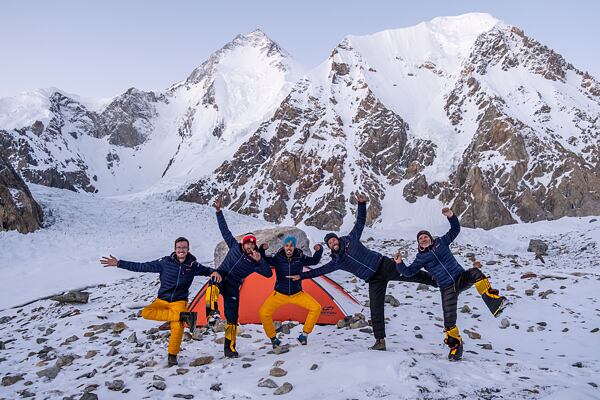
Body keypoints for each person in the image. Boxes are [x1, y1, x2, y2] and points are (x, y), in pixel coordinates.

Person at [288, 193, 437, 351]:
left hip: (384, 265)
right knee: (375, 308)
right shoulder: (336, 262)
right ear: (330, 247)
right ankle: (380, 341)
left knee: (411, 274)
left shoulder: (351, 239)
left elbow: (360, 222)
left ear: (337, 239)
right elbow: (320, 271)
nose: (332, 243)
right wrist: (302, 276)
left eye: (333, 240)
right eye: (329, 243)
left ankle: (438, 281)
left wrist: (361, 204)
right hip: (373, 280)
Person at [394, 207, 508, 361]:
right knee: (449, 321)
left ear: (430, 238)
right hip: (447, 288)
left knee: (476, 273)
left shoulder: (442, 242)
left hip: (460, 277)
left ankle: (495, 302)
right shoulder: (420, 258)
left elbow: (455, 229)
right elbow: (408, 272)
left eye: (425, 236)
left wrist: (450, 216)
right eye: (420, 238)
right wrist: (399, 263)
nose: (423, 239)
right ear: (419, 244)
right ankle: (456, 348)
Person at [100, 237, 214, 367]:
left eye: (184, 248)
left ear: (188, 249)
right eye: (179, 248)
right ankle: (183, 316)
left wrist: (214, 273)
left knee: (178, 327)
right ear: (174, 249)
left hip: (179, 301)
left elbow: (207, 271)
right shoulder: (164, 262)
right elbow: (141, 267)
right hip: (162, 300)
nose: (181, 250)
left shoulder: (193, 265)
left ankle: (172, 356)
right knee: (146, 312)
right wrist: (119, 263)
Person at [211, 197, 273, 358]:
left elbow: (268, 274)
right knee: (212, 281)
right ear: (243, 243)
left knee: (232, 319)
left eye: (252, 244)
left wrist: (260, 261)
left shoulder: (255, 262)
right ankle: (212, 312)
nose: (250, 246)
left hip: (233, 286)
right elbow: (225, 230)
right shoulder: (234, 245)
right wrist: (218, 212)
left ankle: (229, 348)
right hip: (221, 276)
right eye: (247, 243)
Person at [258, 236, 323, 348]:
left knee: (316, 308)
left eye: (291, 245)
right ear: (284, 247)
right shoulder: (277, 258)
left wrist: (319, 250)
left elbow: (314, 261)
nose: (289, 248)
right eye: (287, 245)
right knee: (263, 313)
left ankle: (304, 335)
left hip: (297, 294)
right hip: (279, 294)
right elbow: (262, 259)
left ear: (294, 246)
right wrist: (262, 249)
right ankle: (273, 339)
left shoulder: (300, 257)